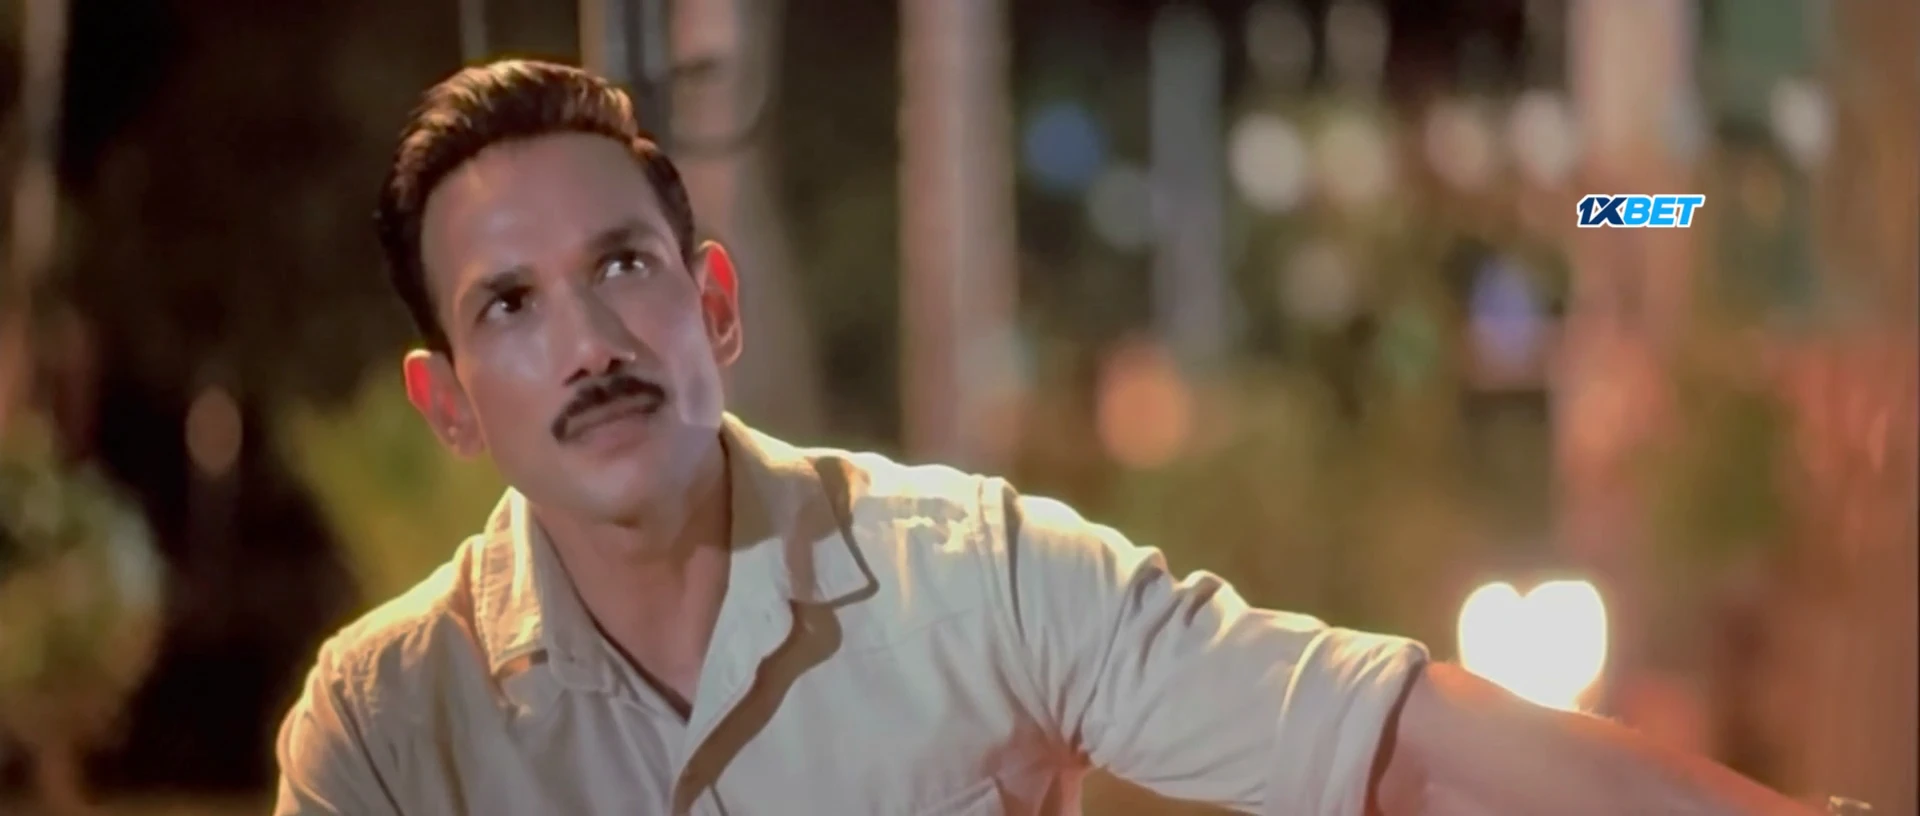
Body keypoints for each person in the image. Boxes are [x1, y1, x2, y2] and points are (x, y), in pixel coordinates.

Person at [273, 59, 1817, 816]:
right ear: (449, 403)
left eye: (624, 267)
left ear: (713, 305)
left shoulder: (971, 577)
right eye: (510, 305)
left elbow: (1387, 732)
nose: (591, 345)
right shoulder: (386, 726)